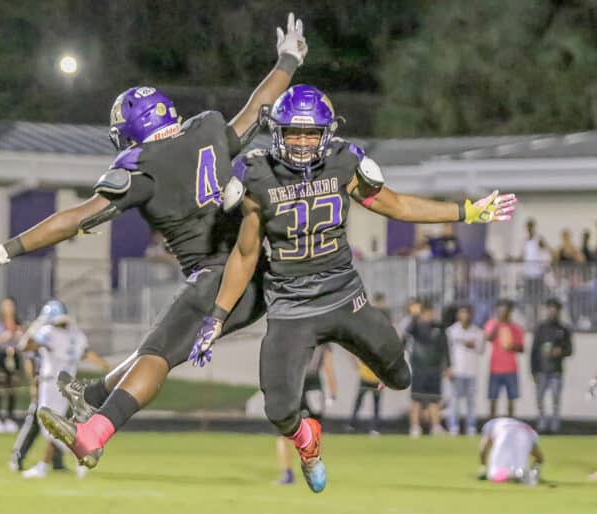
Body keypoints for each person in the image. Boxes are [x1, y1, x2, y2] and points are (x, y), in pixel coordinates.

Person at [0, 13, 309, 469]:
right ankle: (92, 394)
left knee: (155, 356)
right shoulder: (206, 129)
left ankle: (94, 433)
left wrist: (5, 249)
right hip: (256, 275)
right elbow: (258, 107)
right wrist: (287, 60)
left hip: (218, 278)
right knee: (157, 347)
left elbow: (74, 219)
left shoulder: (142, 167)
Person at [186, 84, 517, 492]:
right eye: (294, 132)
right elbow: (245, 254)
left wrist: (465, 211)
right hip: (291, 308)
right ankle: (308, 444)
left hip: (345, 296)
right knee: (278, 410)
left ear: (327, 133)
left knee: (399, 376)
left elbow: (395, 205)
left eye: (312, 133)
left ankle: (368, 352)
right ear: (278, 132)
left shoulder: (343, 163)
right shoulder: (256, 174)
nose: (304, 142)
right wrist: (217, 317)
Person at [17, 300, 110, 479]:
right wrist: (108, 367)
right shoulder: (77, 336)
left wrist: (37, 324)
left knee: (53, 426)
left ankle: (71, 456)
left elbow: (24, 346)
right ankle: (62, 461)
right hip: (67, 385)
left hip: (50, 384)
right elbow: (88, 355)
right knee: (56, 425)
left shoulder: (49, 332)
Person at [275, 344, 336, 485]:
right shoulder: (323, 342)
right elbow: (328, 368)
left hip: (293, 383)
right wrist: (333, 393)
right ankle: (314, 472)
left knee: (282, 433)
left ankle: (288, 473)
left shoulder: (293, 335)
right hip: (314, 385)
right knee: (313, 433)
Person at [8, 347, 65, 472]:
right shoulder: (41, 341)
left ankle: (57, 461)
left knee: (57, 423)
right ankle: (17, 457)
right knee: (34, 423)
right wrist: (33, 384)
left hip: (55, 388)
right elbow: (30, 361)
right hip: (43, 386)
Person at [405, 301, 451, 438]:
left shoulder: (439, 327)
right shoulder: (416, 327)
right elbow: (406, 332)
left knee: (434, 399)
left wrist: (448, 366)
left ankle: (436, 426)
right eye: (426, 313)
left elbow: (445, 348)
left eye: (430, 313)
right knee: (416, 399)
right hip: (419, 368)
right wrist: (414, 316)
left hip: (434, 368)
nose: (429, 316)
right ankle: (414, 427)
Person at [530, 298, 572, 433]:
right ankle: (542, 423)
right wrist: (533, 371)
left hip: (556, 371)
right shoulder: (541, 328)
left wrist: (561, 351)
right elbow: (534, 351)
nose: (553, 311)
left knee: (555, 399)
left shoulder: (564, 329)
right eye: (550, 308)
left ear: (559, 311)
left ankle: (555, 424)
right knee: (540, 399)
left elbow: (569, 350)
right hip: (541, 371)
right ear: (547, 310)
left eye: (555, 309)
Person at [446, 304, 484, 436]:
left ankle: (471, 427)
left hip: (471, 372)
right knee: (454, 402)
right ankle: (453, 427)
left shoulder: (477, 332)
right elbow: (447, 352)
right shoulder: (451, 331)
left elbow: (481, 349)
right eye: (462, 313)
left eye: (467, 313)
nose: (465, 316)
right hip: (456, 371)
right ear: (458, 315)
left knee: (471, 402)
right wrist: (447, 368)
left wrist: (472, 345)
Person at [0, 297, 23, 434]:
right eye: (6, 305)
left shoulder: (18, 323)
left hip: (14, 356)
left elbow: (26, 342)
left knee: (12, 387)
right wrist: (4, 337)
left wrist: (20, 336)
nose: (9, 308)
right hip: (2, 355)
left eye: (11, 305)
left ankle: (10, 418)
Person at [484, 299, 525, 418]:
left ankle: (510, 424)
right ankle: (491, 424)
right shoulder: (492, 324)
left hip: (511, 368)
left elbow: (522, 348)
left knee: (511, 399)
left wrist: (512, 346)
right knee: (492, 398)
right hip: (495, 368)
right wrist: (498, 324)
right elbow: (489, 338)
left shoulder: (516, 328)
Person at [478, 417, 544, 485]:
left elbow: (484, 447)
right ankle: (524, 474)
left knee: (494, 475)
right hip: (526, 435)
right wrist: (535, 469)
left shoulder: (491, 424)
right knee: (518, 469)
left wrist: (482, 466)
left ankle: (516, 474)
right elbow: (539, 458)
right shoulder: (524, 426)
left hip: (505, 434)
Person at [523, 219, 552, 326]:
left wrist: (545, 265)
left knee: (537, 299)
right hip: (528, 274)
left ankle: (537, 320)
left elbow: (548, 251)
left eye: (530, 226)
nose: (529, 229)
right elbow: (524, 256)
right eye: (527, 227)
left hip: (537, 274)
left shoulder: (538, 239)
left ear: (533, 227)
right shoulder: (526, 240)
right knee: (529, 300)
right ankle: (531, 320)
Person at [347, 358, 382, 435]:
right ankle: (352, 424)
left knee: (375, 405)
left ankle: (375, 428)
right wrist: (356, 365)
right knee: (358, 403)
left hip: (375, 380)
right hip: (365, 378)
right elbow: (352, 353)